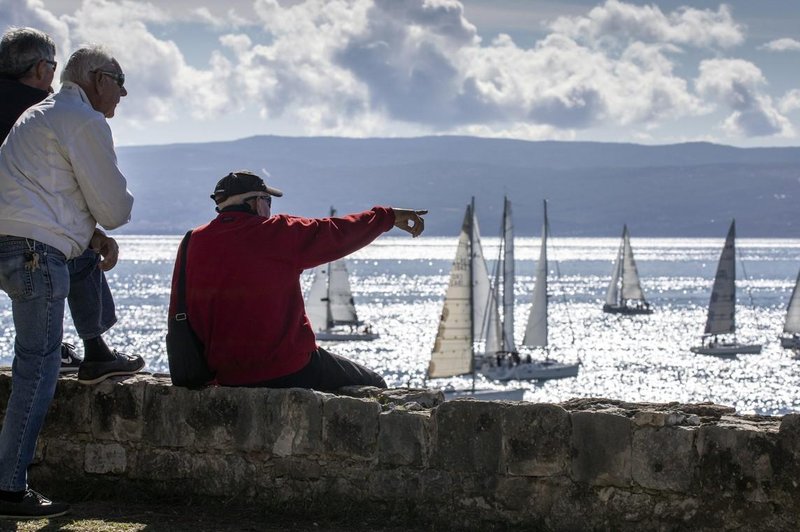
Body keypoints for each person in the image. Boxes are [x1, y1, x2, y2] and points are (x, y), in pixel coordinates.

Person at [0, 44, 142, 519]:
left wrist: (90, 236)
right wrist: (102, 225)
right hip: (36, 253)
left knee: (83, 257)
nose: (124, 92)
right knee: (37, 369)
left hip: (17, 244)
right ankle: (7, 487)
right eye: (120, 80)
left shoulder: (39, 113)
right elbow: (115, 209)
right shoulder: (83, 121)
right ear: (98, 79)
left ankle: (97, 354)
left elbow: (53, 197)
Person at [169, 170, 426, 391]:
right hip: (286, 368)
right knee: (374, 384)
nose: (270, 208)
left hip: (222, 374)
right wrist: (388, 216)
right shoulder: (276, 233)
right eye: (268, 200)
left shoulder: (193, 241)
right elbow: (337, 232)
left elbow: (178, 308)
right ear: (257, 202)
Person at [0, 27, 125, 375]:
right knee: (81, 248)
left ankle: (72, 348)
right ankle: (95, 346)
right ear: (42, 69)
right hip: (23, 234)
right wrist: (95, 235)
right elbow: (66, 188)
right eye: (53, 69)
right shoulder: (41, 111)